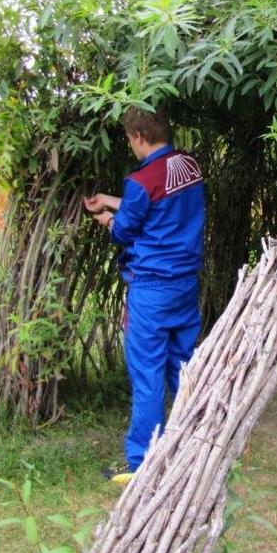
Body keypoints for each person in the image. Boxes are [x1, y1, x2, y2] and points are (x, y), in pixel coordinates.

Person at [84, 106, 205, 484]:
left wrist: (108, 219)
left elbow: (124, 231)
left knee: (147, 372)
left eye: (129, 140)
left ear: (138, 137)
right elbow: (156, 206)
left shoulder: (141, 180)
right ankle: (196, 445)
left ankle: (142, 462)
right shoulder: (189, 166)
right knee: (182, 367)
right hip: (185, 284)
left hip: (151, 288)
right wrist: (110, 198)